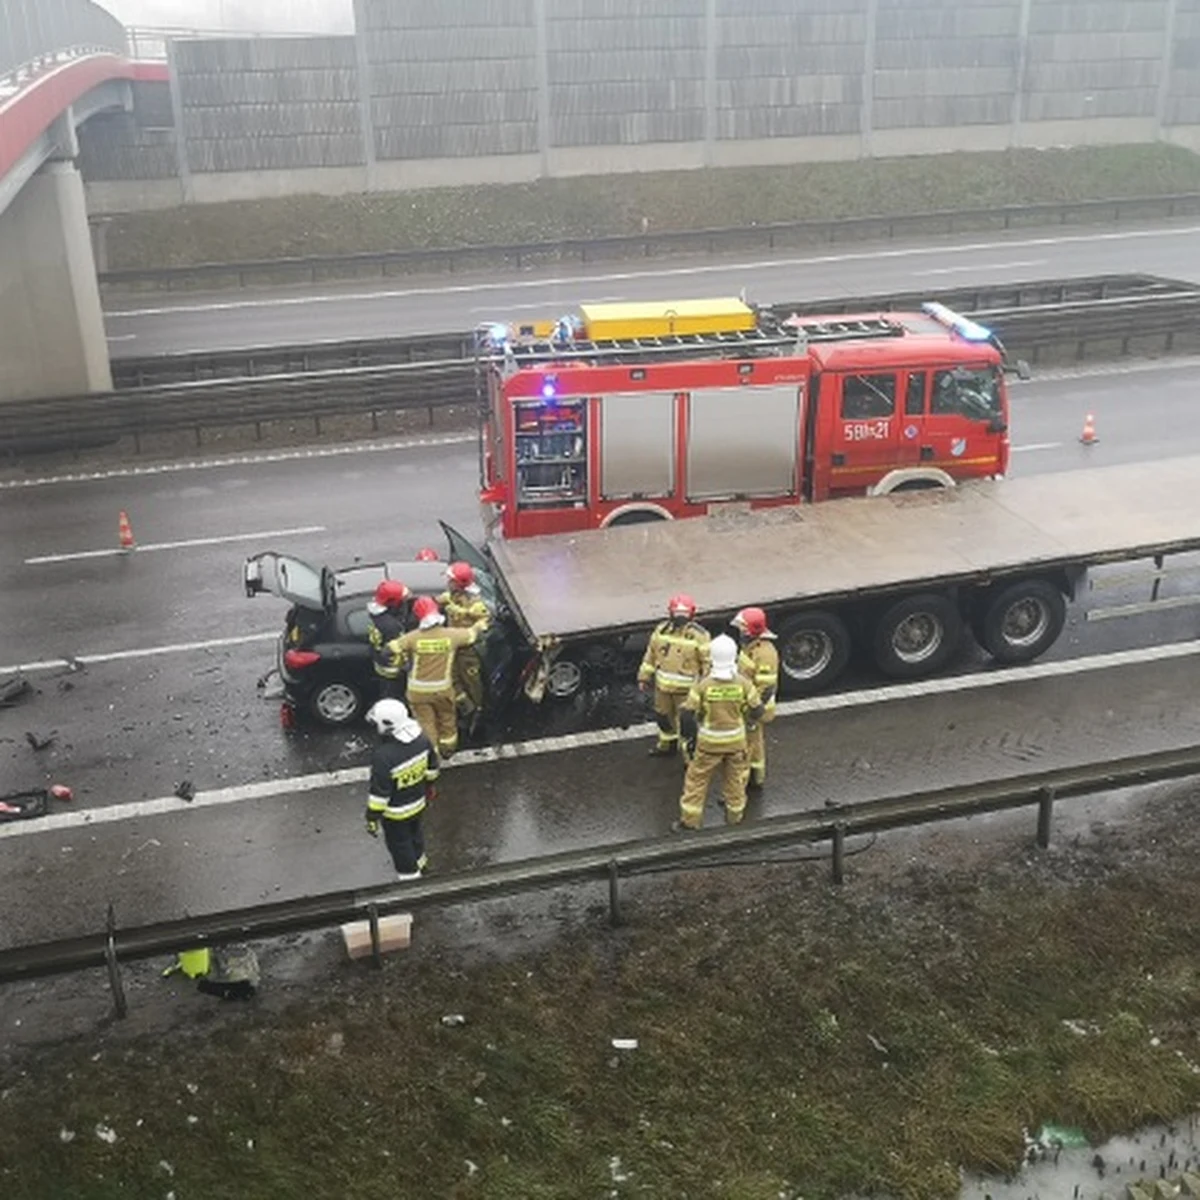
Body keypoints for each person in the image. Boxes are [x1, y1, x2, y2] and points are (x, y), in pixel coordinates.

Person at [674, 634, 763, 830]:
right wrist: (748, 720)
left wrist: (689, 739)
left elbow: (687, 714)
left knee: (696, 781)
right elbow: (757, 709)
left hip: (708, 744)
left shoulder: (704, 685)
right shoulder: (743, 683)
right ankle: (735, 817)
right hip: (736, 743)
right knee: (735, 781)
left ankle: (690, 822)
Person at [395, 595, 488, 758]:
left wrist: (399, 662)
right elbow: (472, 635)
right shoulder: (452, 635)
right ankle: (448, 749)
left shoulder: (412, 637)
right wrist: (480, 623)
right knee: (447, 720)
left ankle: (432, 756)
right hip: (443, 690)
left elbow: (391, 649)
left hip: (418, 692)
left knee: (426, 723)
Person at [364, 698, 438, 880]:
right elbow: (432, 768)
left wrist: (372, 818)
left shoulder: (383, 756)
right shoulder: (421, 739)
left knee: (400, 845)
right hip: (418, 803)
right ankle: (421, 864)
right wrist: (429, 787)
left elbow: (379, 795)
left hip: (396, 814)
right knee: (415, 835)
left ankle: (410, 880)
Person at [637, 594, 711, 757]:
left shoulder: (699, 635)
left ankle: (689, 758)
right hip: (663, 688)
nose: (680, 618)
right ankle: (667, 745)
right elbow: (651, 655)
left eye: (683, 614)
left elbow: (707, 664)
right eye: (677, 614)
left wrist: (703, 689)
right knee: (662, 717)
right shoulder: (661, 630)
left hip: (686, 692)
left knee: (687, 725)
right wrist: (644, 677)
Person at [731, 607, 779, 791]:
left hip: (755, 709)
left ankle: (738, 789)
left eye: (743, 628)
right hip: (751, 706)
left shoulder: (765, 653)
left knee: (744, 749)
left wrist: (753, 713)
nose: (740, 632)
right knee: (755, 745)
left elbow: (766, 688)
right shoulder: (750, 647)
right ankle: (757, 779)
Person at [438, 561, 491, 724]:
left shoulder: (475, 604)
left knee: (472, 684)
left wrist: (464, 613)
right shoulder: (453, 595)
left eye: (451, 580)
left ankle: (477, 713)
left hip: (468, 652)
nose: (448, 582)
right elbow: (441, 601)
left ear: (460, 583)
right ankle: (465, 708)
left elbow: (484, 625)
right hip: (454, 647)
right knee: (452, 678)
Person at [366, 579, 412, 699]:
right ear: (393, 603)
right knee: (394, 700)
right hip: (394, 672)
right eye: (402, 600)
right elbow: (401, 647)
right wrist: (408, 665)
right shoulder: (391, 626)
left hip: (382, 666)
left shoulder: (378, 616)